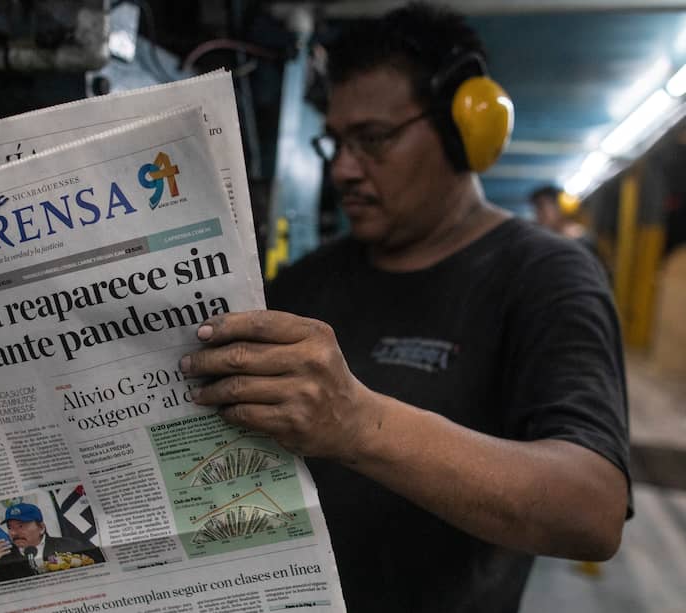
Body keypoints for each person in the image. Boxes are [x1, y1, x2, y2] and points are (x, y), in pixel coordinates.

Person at [179, 3, 630, 612]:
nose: (343, 169)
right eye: (336, 142)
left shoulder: (546, 277)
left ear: (462, 131)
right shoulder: (308, 282)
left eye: (373, 139)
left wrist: (359, 423)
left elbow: (593, 509)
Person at [0, 502, 105, 584]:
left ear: (41, 527)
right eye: (10, 527)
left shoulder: (70, 546)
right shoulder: (3, 557)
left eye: (21, 526)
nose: (13, 532)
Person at [530, 184, 602, 258]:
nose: (538, 215)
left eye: (541, 207)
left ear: (560, 206)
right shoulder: (556, 238)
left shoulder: (580, 240)